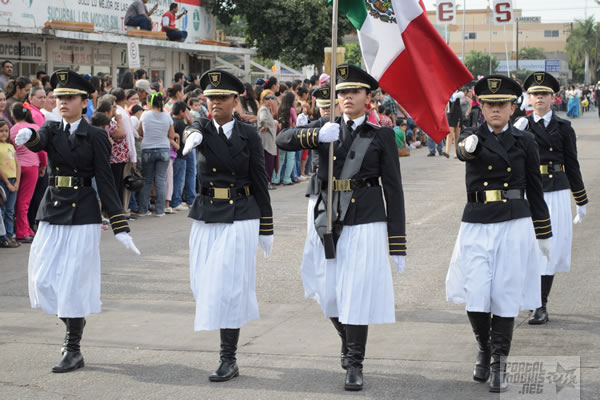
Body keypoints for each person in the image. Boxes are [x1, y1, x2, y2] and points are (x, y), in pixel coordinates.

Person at [276, 64, 406, 391]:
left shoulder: (381, 135)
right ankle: (348, 341)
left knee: (357, 292)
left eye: (354, 92)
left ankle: (355, 362)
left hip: (365, 218)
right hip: (329, 217)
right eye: (342, 92)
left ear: (368, 97)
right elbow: (283, 139)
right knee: (328, 290)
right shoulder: (326, 126)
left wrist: (397, 240)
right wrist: (315, 135)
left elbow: (393, 189)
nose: (347, 97)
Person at [14, 70, 139, 373]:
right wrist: (31, 136)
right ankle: (74, 321)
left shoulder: (96, 136)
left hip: (82, 213)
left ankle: (73, 347)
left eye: (69, 97)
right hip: (53, 209)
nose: (62, 102)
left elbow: (105, 181)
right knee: (42, 279)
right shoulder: (52, 128)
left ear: (84, 102)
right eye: (59, 97)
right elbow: (41, 140)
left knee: (73, 282)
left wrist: (120, 224)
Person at [446, 75, 552, 393]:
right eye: (489, 104)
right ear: (481, 107)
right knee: (477, 295)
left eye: (501, 104)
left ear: (512, 107)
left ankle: (499, 365)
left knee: (505, 295)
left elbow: (535, 188)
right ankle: (484, 347)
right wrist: (467, 146)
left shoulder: (525, 141)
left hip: (513, 222)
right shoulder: (472, 136)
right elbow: (464, 152)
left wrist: (543, 230)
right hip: (477, 222)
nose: (495, 109)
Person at [181, 69, 273, 382]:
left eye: (222, 97)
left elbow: (259, 179)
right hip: (207, 213)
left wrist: (266, 225)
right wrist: (190, 136)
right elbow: (191, 127)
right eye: (211, 98)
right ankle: (226, 354)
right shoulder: (201, 129)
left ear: (235, 100)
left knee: (229, 285)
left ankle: (228, 358)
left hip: (241, 213)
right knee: (204, 284)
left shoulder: (248, 134)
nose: (215, 103)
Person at [515, 72, 589, 325]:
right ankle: (527, 297)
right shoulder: (520, 125)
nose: (539, 98)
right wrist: (510, 135)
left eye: (544, 94)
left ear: (553, 98)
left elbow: (572, 164)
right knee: (527, 248)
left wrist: (580, 199)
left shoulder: (564, 127)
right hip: (529, 190)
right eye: (535, 94)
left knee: (548, 248)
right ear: (528, 98)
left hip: (556, 190)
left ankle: (540, 304)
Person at [137, 92, 175, 217]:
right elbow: (172, 135)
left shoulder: (145, 115)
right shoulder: (167, 116)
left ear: (150, 102)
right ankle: (160, 210)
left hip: (147, 149)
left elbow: (140, 132)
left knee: (147, 180)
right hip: (163, 149)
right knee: (161, 180)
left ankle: (143, 209)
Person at [9, 103, 41, 243]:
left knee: (19, 201)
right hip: (32, 165)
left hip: (17, 166)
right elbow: (41, 150)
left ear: (12, 116)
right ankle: (23, 231)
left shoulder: (12, 129)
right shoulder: (34, 127)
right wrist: (43, 165)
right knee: (25, 201)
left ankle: (25, 229)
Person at [0, 118, 21, 248]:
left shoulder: (10, 146)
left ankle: (9, 235)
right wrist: (7, 183)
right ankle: (2, 237)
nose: (4, 133)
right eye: (1, 131)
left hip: (13, 181)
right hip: (3, 182)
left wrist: (17, 182)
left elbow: (18, 165)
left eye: (6, 131)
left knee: (10, 211)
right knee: (2, 210)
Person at [272, 92, 297, 185]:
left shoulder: (280, 109)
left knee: (280, 158)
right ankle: (287, 179)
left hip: (281, 135)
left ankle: (275, 179)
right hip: (290, 135)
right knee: (290, 158)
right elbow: (296, 122)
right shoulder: (292, 110)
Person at [256, 89, 278, 188]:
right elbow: (262, 119)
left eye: (272, 98)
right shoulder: (264, 109)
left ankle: (268, 181)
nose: (270, 100)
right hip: (265, 140)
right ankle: (266, 182)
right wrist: (265, 126)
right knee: (267, 162)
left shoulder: (268, 109)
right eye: (267, 98)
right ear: (262, 99)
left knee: (269, 162)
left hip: (269, 139)